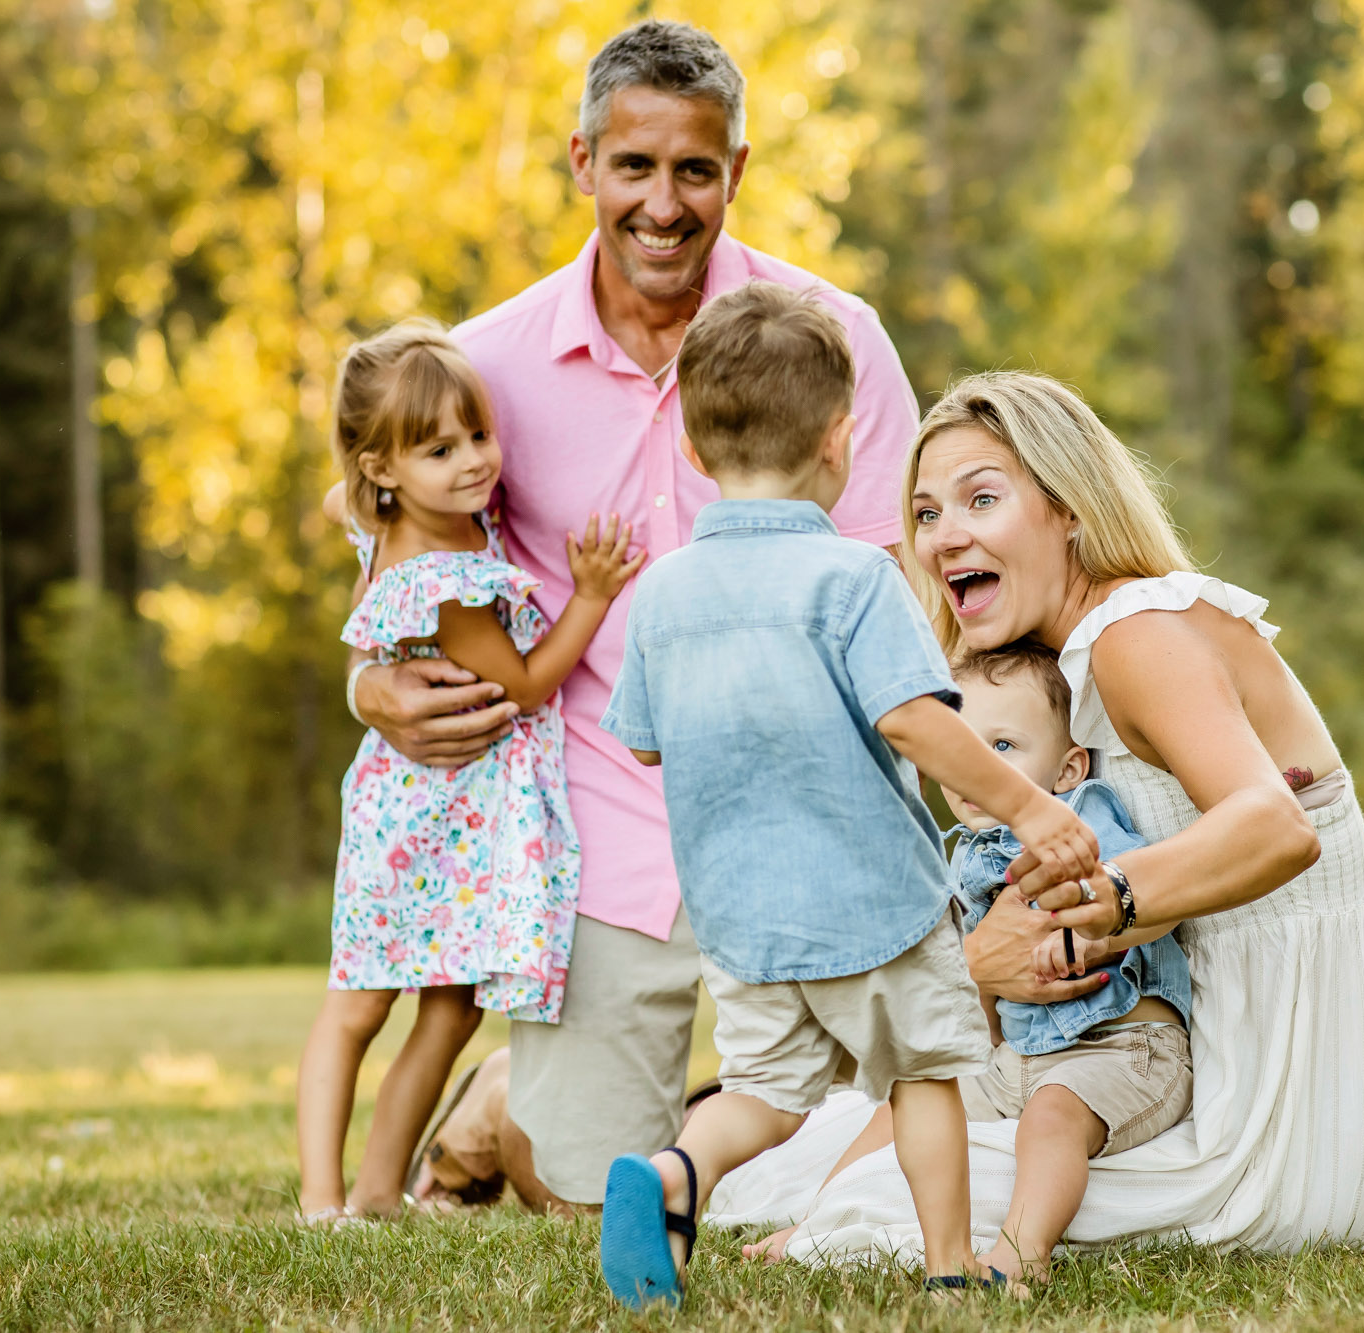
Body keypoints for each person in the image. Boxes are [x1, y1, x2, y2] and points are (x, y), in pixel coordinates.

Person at [343, 19, 920, 1213]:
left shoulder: (834, 340)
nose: (664, 205)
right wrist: (368, 685)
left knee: (876, 1162)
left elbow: (894, 582)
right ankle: (509, 1104)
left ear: (737, 173)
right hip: (597, 813)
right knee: (581, 1194)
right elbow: (393, 562)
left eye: (694, 171)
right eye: (635, 168)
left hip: (814, 807)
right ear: (582, 165)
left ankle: (572, 1098)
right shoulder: (485, 363)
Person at [709, 371, 1364, 1259]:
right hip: (1214, 1066)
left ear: (1069, 508)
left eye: (982, 498)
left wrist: (1095, 916)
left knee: (882, 1193)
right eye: (925, 513)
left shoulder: (1136, 634)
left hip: (1274, 1110)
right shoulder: (1057, 672)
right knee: (838, 1149)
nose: (943, 536)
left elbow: (1278, 827)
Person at [592, 283, 1099, 1309]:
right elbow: (913, 718)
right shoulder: (851, 579)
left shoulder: (665, 591)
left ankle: (674, 1173)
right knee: (925, 1076)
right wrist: (1032, 809)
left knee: (761, 1094)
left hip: (739, 914)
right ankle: (950, 1266)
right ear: (839, 441)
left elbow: (644, 747)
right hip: (876, 904)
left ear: (691, 451)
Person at [296, 320, 642, 1223]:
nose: (474, 462)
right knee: (359, 1009)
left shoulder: (398, 521)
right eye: (439, 449)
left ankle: (378, 1191)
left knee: (449, 1013)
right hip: (418, 824)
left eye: (479, 436)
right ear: (382, 467)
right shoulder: (450, 576)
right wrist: (594, 596)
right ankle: (320, 1199)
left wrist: (379, 489)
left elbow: (342, 505)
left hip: (447, 819)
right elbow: (524, 686)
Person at [750, 641, 1193, 1288]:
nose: (977, 771)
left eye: (1003, 748)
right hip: (1017, 1058)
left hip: (1123, 1049)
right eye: (962, 747)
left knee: (1053, 1117)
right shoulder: (960, 853)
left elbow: (1142, 894)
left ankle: (1022, 1251)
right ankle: (819, 1214)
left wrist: (1077, 927)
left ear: (1068, 767)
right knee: (914, 1095)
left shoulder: (1083, 816)